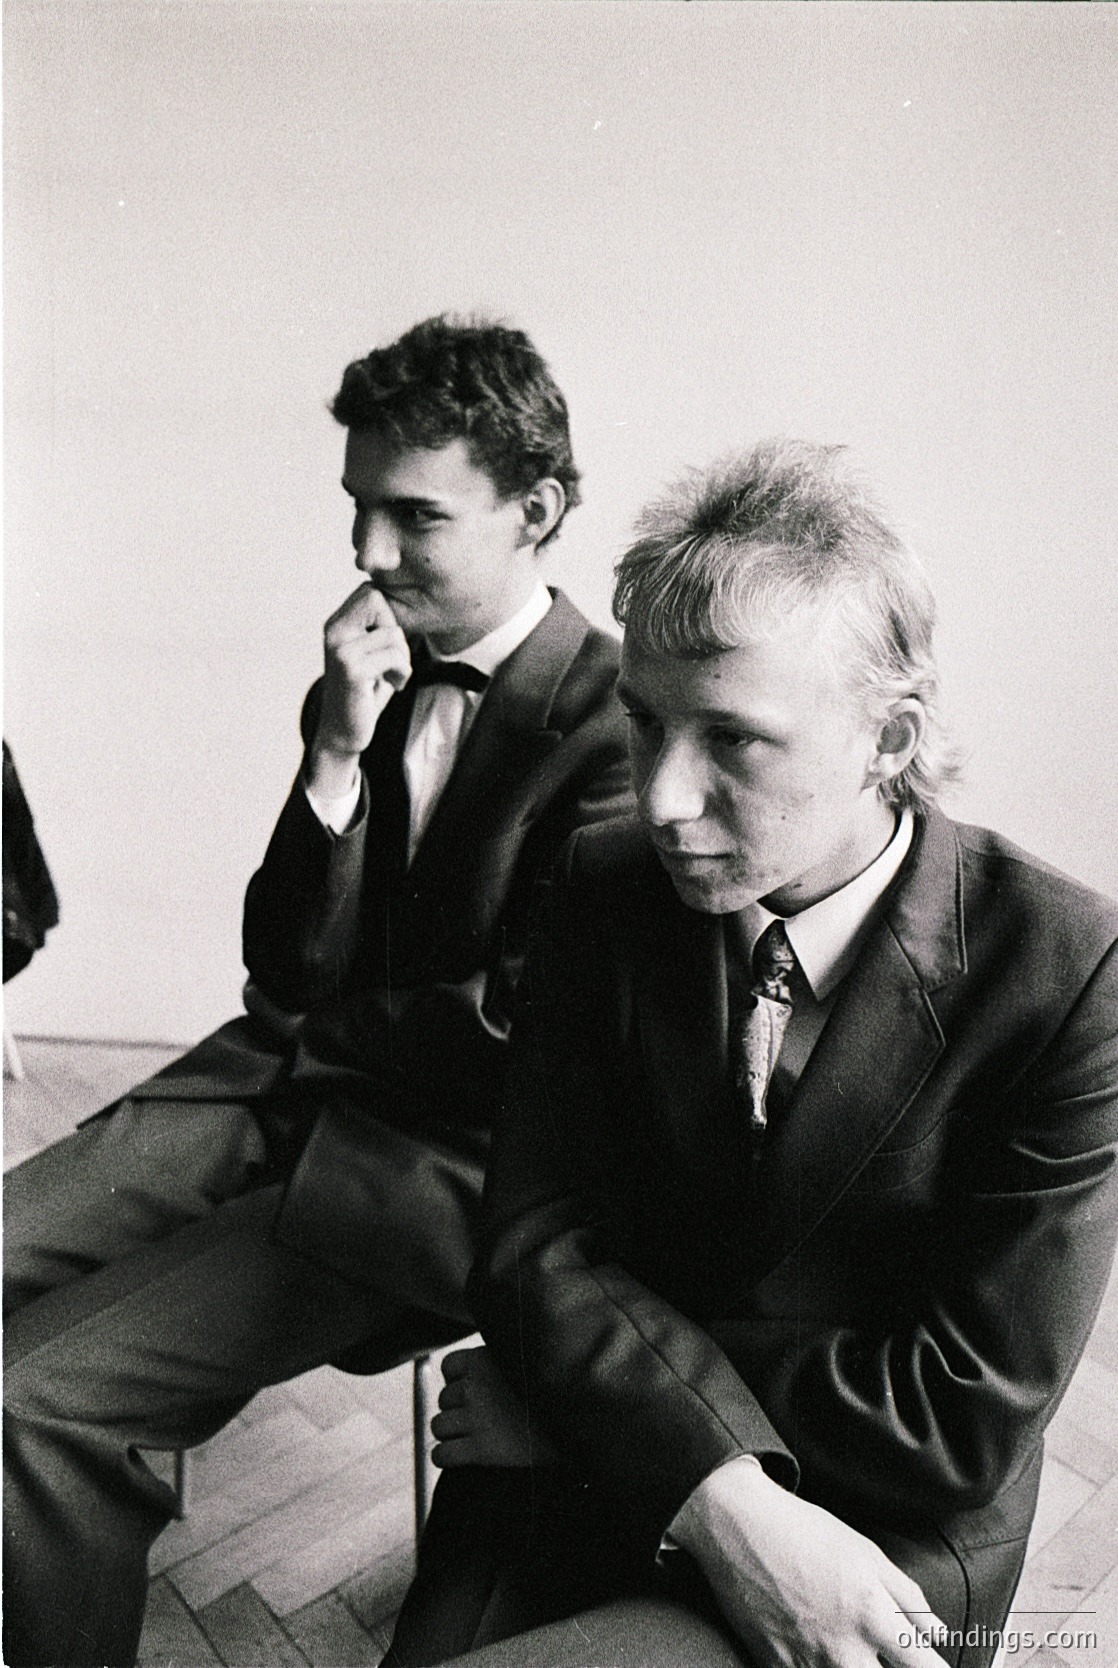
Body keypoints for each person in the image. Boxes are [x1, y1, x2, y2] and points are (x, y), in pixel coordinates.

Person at [382, 440, 1118, 1668]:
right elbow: (525, 1247)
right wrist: (712, 1492)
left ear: (888, 738)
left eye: (732, 740)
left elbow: (959, 1414)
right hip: (563, 1466)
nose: (662, 796)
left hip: (870, 1537)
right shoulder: (605, 879)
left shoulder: (1067, 967)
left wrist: (589, 1410)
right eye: (644, 723)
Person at [2, 315, 632, 1668]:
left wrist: (322, 1033)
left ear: (537, 511)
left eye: (412, 517)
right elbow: (281, 969)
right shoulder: (371, 669)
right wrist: (337, 754)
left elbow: (510, 1037)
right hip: (283, 1089)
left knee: (28, 1404)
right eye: (356, 511)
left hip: (425, 1172)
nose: (366, 556)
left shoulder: (617, 734)